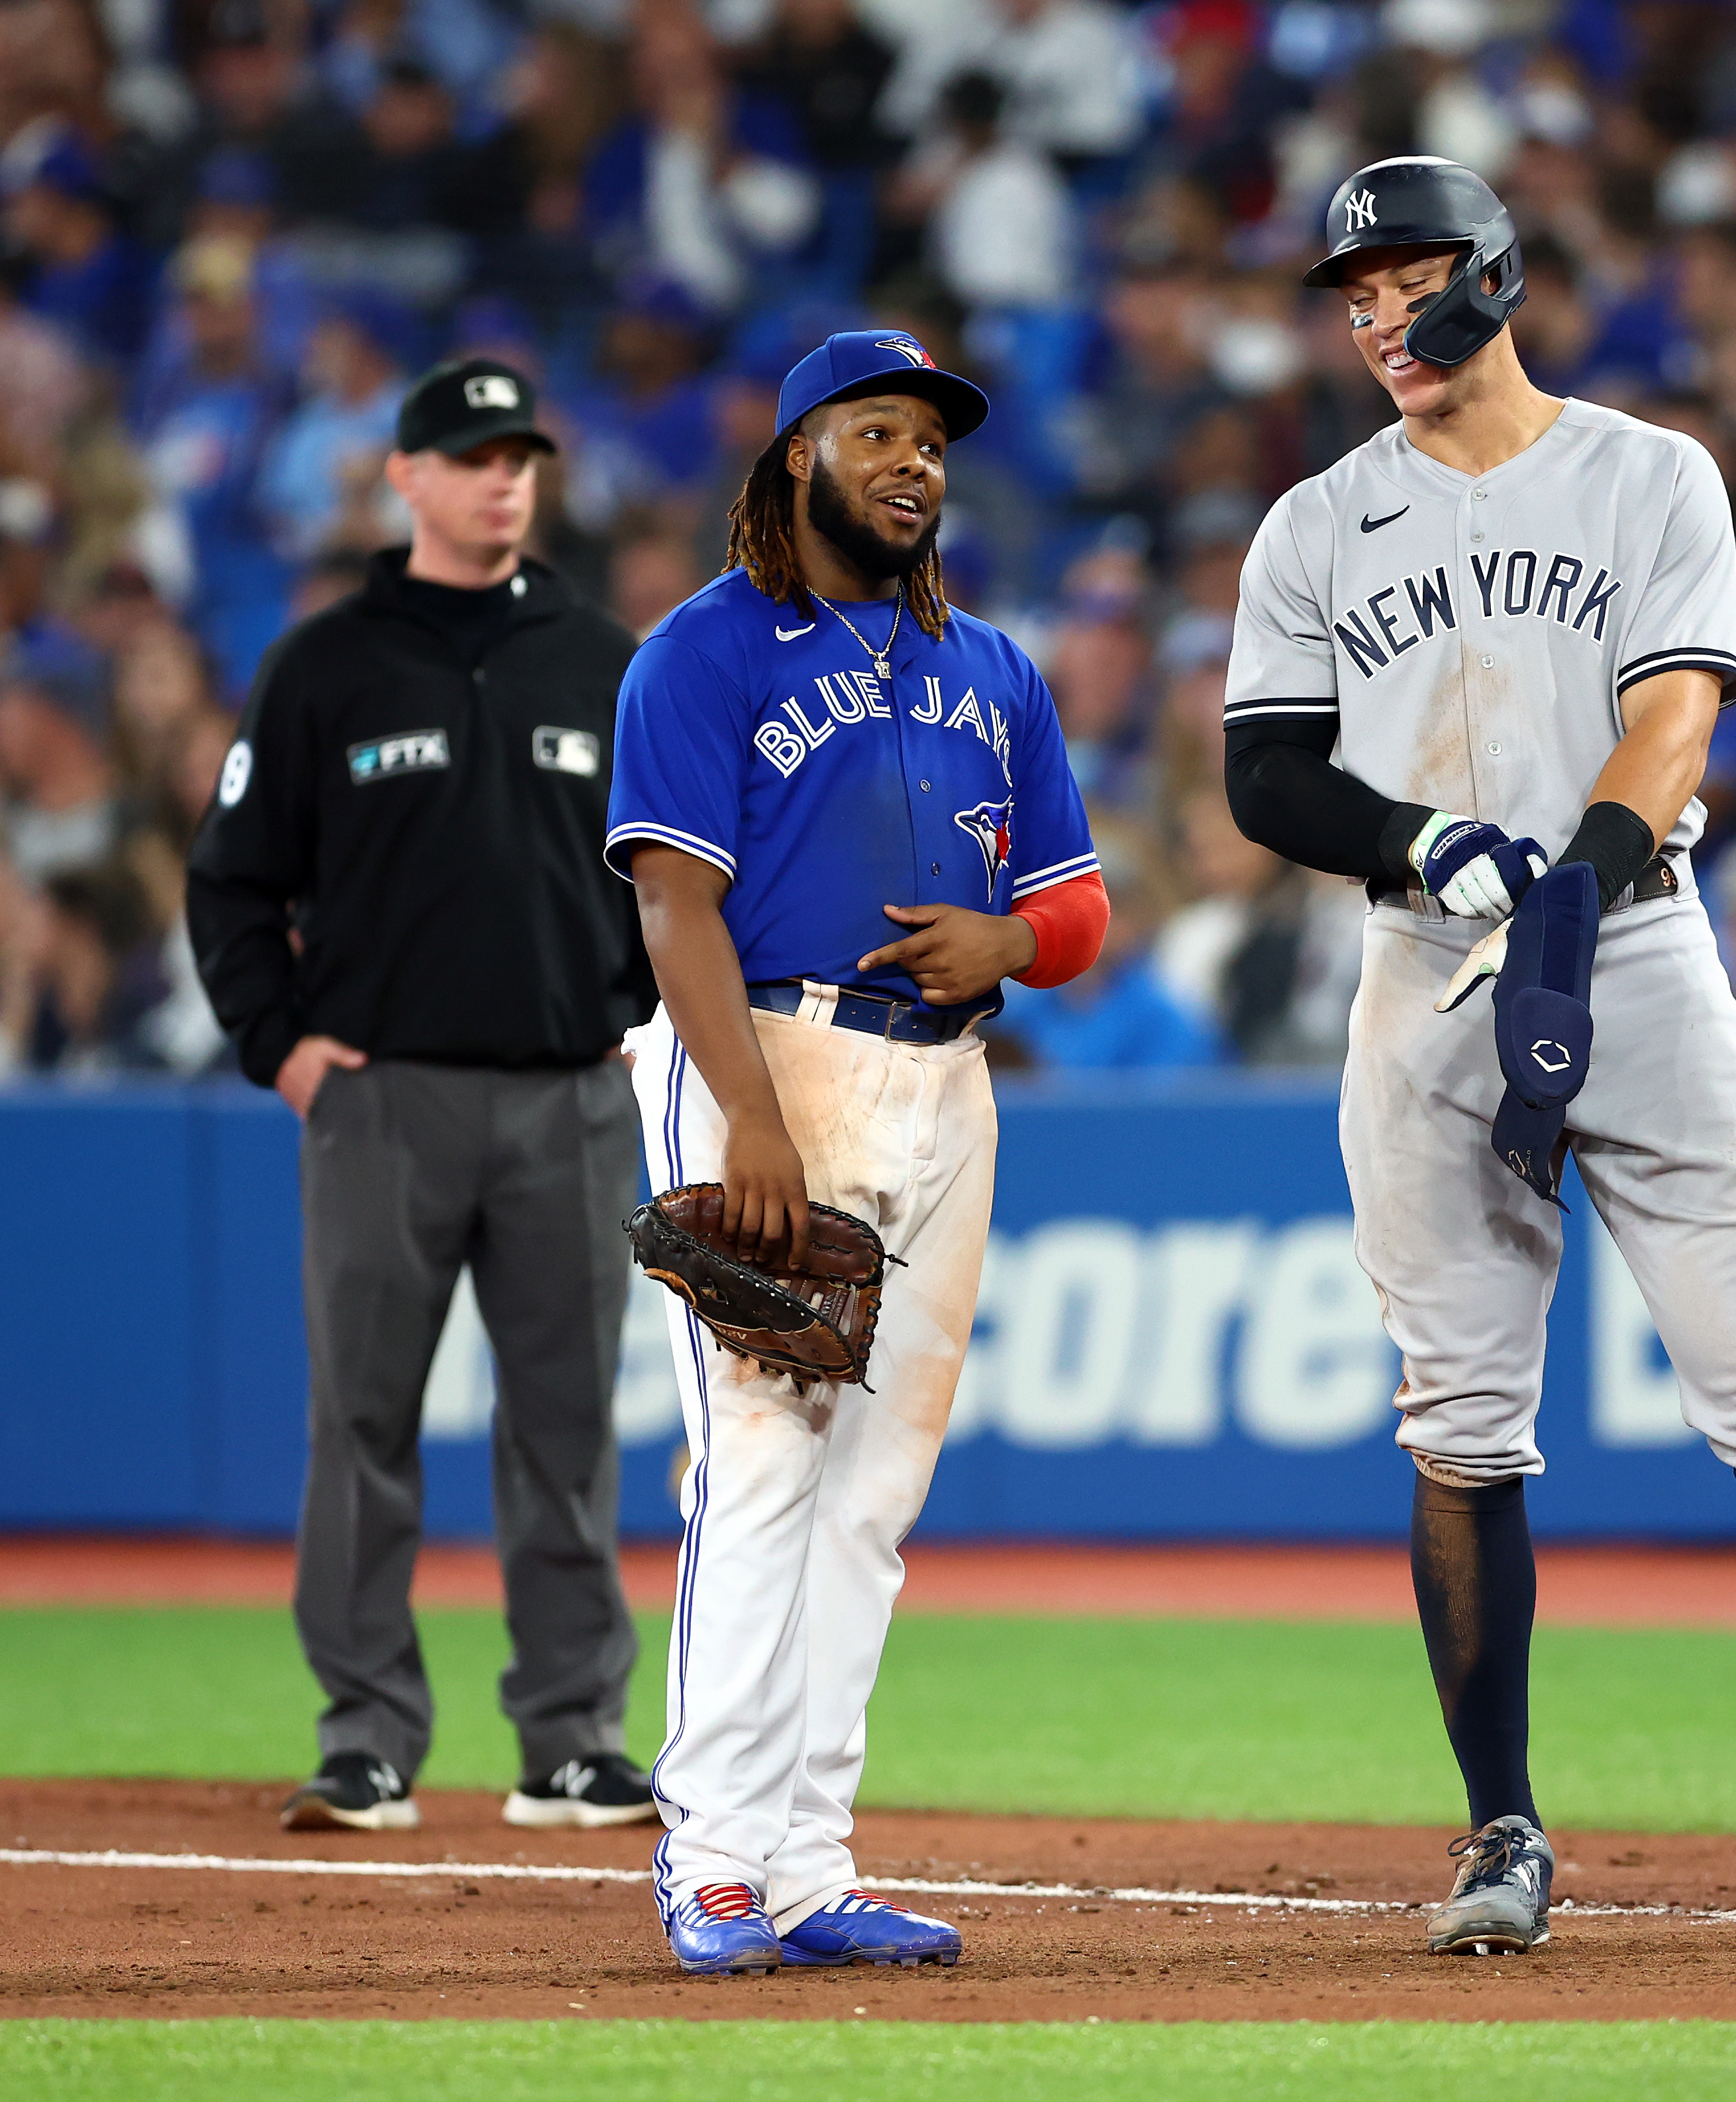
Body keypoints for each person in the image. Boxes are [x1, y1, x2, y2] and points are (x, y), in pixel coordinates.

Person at [1222, 157, 1736, 1957]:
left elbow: (1674, 712)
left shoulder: (1648, 471)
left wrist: (1575, 875)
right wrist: (1425, 839)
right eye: (1353, 298)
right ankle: (1498, 1824)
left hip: (1635, 952)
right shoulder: (1314, 523)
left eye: (1407, 282)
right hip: (1422, 974)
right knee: (1460, 1412)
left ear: (1494, 278)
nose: (1377, 322)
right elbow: (1267, 769)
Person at [606, 329, 1107, 1976]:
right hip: (771, 1056)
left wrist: (1012, 952)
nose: (916, 462)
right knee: (760, 1462)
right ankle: (714, 1856)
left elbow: (1075, 906)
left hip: (944, 1087)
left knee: (872, 1496)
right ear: (799, 454)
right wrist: (743, 1108)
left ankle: (810, 1862)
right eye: (879, 430)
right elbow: (671, 899)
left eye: (935, 441)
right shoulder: (705, 650)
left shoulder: (994, 668)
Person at [186, 358, 658, 1838]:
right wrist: (283, 1048)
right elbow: (233, 881)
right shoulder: (326, 664)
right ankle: (367, 1737)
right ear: (404, 477)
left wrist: (639, 1028)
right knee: (364, 1422)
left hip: (572, 1099)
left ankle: (572, 1739)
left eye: (519, 454)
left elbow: (683, 881)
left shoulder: (604, 657)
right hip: (381, 1099)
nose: (500, 477)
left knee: (568, 1428)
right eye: (469, 455)